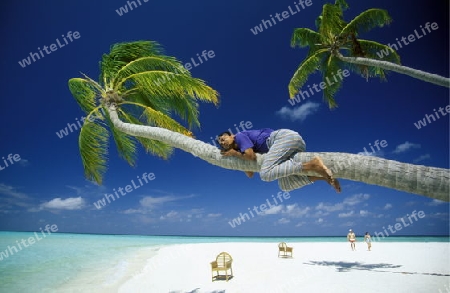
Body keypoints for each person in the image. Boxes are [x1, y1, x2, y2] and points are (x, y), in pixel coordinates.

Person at [217, 128, 341, 193]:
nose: (223, 143)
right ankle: (324, 177)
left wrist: (234, 153)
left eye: (223, 139)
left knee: (265, 174)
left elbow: (251, 157)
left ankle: (313, 165)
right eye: (221, 143)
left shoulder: (239, 136)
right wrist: (237, 158)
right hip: (291, 145)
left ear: (231, 135)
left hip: (284, 138)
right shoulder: (241, 150)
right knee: (285, 186)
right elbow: (250, 173)